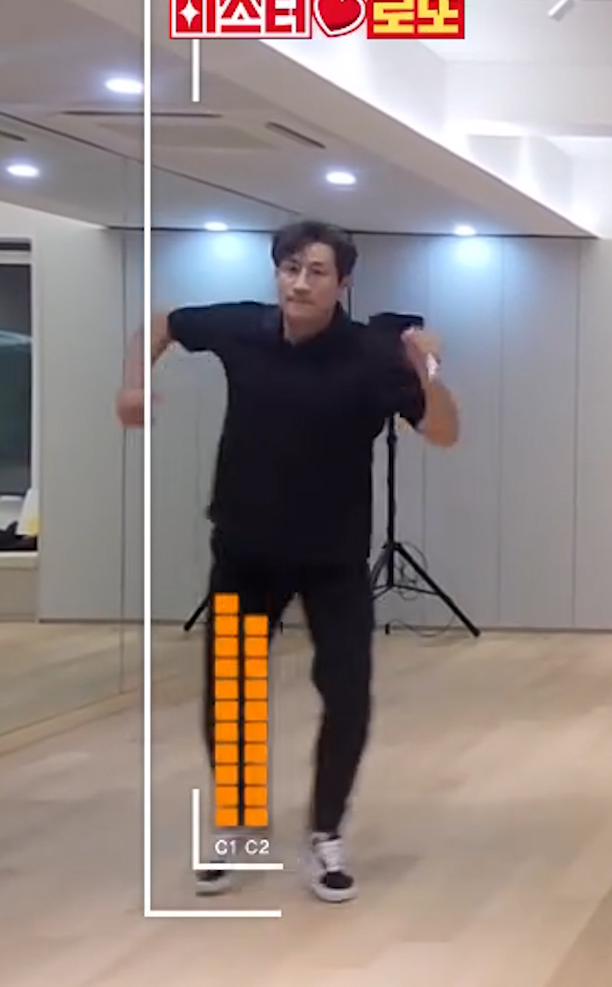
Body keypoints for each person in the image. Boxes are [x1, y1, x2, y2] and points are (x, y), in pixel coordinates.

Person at [117, 219, 461, 903]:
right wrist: (132, 385)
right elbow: (160, 325)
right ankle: (238, 826)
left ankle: (326, 833)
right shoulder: (243, 327)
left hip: (333, 557)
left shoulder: (373, 356)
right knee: (232, 693)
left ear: (343, 283)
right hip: (245, 550)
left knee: (348, 693)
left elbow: (445, 432)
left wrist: (429, 371)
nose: (300, 283)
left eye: (317, 271)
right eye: (290, 268)